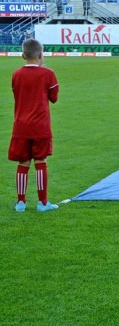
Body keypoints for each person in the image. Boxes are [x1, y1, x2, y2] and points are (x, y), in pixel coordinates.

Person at [9, 39, 59, 212]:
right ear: (40, 54)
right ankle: (42, 203)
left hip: (21, 126)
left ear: (23, 55)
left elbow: (18, 94)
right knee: (41, 161)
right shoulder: (48, 74)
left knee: (23, 162)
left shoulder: (16, 74)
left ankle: (20, 203)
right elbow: (54, 98)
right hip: (40, 125)